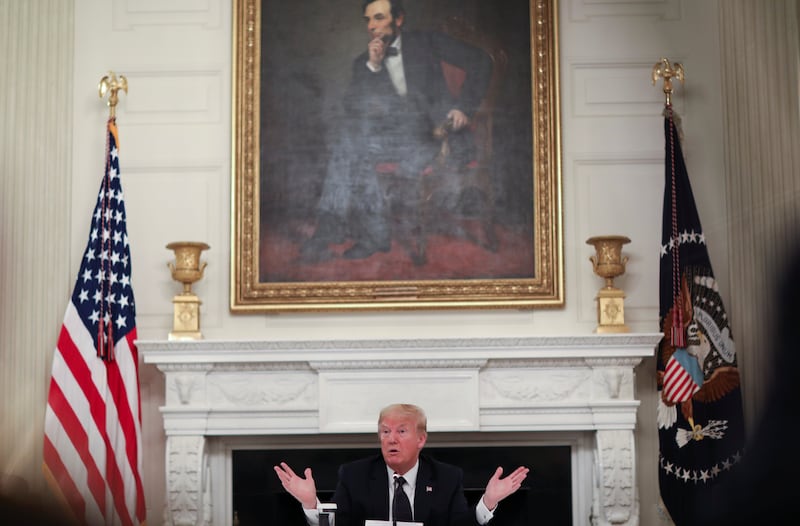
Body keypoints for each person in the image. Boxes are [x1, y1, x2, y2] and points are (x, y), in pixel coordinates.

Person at [300, 0, 492, 262]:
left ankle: (369, 236)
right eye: (368, 20)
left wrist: (464, 108)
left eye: (379, 18)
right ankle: (343, 231)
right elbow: (353, 110)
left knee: (354, 149)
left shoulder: (428, 42)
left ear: (398, 19)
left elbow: (481, 61)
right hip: (395, 139)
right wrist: (374, 68)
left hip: (437, 137)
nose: (372, 27)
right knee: (349, 145)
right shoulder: (363, 62)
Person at [274, 403, 529, 526]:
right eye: (385, 432)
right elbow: (339, 524)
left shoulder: (447, 477)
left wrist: (488, 502)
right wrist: (311, 503)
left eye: (401, 431)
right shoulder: (355, 474)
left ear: (421, 439)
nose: (391, 439)